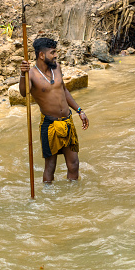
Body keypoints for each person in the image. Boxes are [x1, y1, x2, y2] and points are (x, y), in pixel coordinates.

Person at [19, 37, 89, 183]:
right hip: (50, 124)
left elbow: (64, 90)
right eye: (53, 52)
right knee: (50, 166)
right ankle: (49, 197)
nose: (56, 55)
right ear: (41, 55)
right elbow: (24, 93)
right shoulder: (31, 74)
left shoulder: (56, 68)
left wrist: (79, 110)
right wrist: (22, 75)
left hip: (67, 121)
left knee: (74, 164)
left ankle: (72, 197)